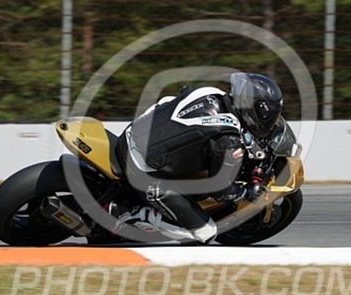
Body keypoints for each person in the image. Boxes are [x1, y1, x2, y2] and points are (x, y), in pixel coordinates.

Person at [112, 72, 284, 244]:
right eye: (267, 116)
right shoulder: (228, 142)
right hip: (141, 169)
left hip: (132, 134)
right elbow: (220, 192)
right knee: (205, 233)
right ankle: (136, 215)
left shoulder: (210, 92)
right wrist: (246, 192)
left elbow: (182, 92)